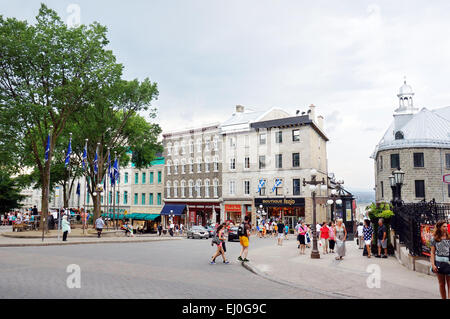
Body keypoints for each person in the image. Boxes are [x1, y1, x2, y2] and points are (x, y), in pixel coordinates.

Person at [430, 220, 450, 299]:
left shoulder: (449, 238)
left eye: (446, 226)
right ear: (439, 228)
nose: (446, 228)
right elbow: (432, 253)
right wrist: (433, 264)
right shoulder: (434, 239)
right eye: (444, 226)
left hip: (448, 262)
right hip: (439, 263)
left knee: (449, 284)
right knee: (442, 284)